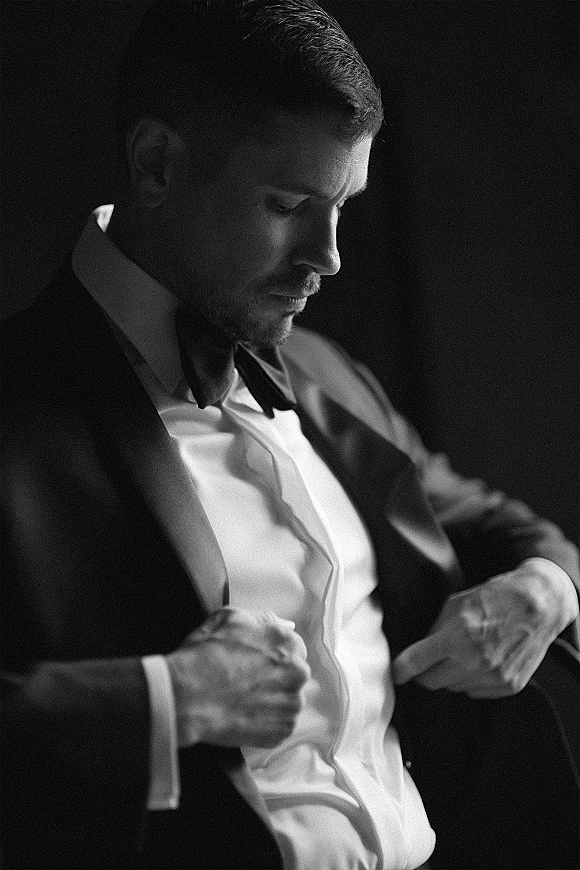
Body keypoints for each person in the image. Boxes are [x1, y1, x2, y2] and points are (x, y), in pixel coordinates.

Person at [1, 2, 578, 869]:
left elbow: (501, 526)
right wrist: (168, 700)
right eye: (288, 204)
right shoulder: (17, 400)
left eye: (343, 206)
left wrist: (548, 588)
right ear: (156, 164)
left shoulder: (326, 369)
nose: (329, 256)